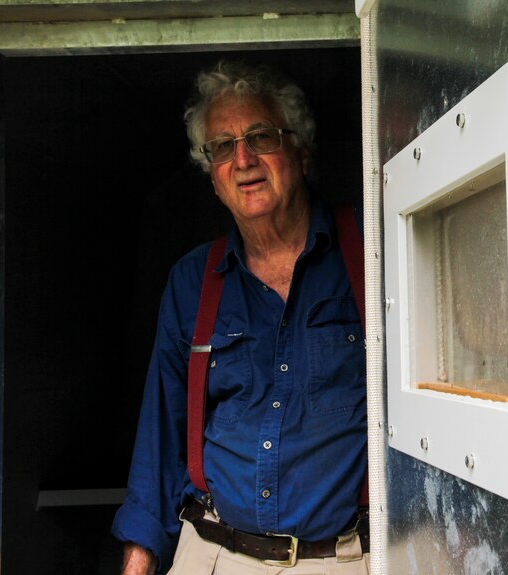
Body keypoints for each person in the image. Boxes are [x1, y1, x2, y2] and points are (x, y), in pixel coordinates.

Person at [111, 60, 369, 575]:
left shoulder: (370, 248)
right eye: (223, 147)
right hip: (210, 554)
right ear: (212, 177)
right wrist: (137, 567)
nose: (244, 158)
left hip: (340, 560)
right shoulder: (192, 281)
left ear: (300, 147)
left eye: (260, 136)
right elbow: (159, 439)